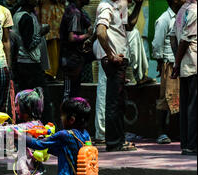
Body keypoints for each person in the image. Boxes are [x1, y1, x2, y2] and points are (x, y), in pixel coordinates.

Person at [95, 0, 144, 152]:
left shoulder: (119, 5)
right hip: (114, 61)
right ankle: (114, 142)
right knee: (114, 102)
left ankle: (118, 140)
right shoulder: (106, 6)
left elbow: (128, 25)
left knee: (119, 102)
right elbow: (100, 32)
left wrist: (138, 5)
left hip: (119, 60)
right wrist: (111, 55)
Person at [12, 0, 54, 124]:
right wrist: (41, 33)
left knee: (25, 98)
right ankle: (47, 125)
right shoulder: (26, 18)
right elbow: (29, 44)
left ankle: (27, 125)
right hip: (30, 64)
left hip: (22, 63)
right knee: (42, 97)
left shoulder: (19, 14)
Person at [152, 1, 182, 145]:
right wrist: (160, 61)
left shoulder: (182, 15)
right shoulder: (164, 19)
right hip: (169, 62)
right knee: (165, 98)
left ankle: (178, 131)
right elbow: (157, 43)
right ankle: (161, 132)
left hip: (181, 62)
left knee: (179, 98)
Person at [170, 0, 197, 156]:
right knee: (193, 107)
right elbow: (184, 40)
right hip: (193, 64)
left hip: (185, 66)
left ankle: (186, 144)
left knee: (187, 106)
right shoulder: (194, 11)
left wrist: (177, 62)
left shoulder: (181, 11)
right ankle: (192, 145)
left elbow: (173, 37)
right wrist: (177, 63)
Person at [59, 0, 92, 101]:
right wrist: (87, 35)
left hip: (73, 59)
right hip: (70, 59)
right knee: (69, 94)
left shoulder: (77, 10)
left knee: (72, 93)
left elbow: (89, 25)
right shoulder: (75, 13)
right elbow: (72, 38)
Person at [39, 0, 65, 80]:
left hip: (57, 21)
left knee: (57, 49)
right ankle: (49, 73)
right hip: (48, 18)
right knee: (49, 47)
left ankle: (54, 73)